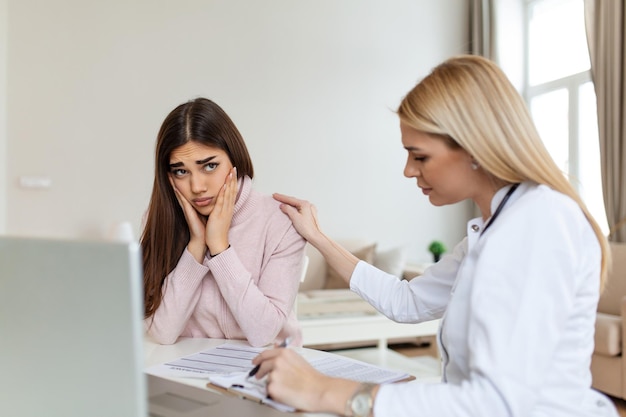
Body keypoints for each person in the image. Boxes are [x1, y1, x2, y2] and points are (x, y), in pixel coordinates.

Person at [251, 55, 618, 416]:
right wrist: (317, 236)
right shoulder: (496, 229)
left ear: (475, 147)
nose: (409, 171)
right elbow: (406, 301)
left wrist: (327, 390)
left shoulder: (537, 222)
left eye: (420, 156)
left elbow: (497, 403)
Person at [141, 97, 306, 347]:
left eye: (209, 166)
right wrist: (196, 246)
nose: (196, 187)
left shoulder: (281, 221)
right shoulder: (161, 221)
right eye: (181, 171)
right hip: (187, 371)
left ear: (234, 158)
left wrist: (219, 247)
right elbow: (162, 333)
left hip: (268, 372)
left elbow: (264, 333)